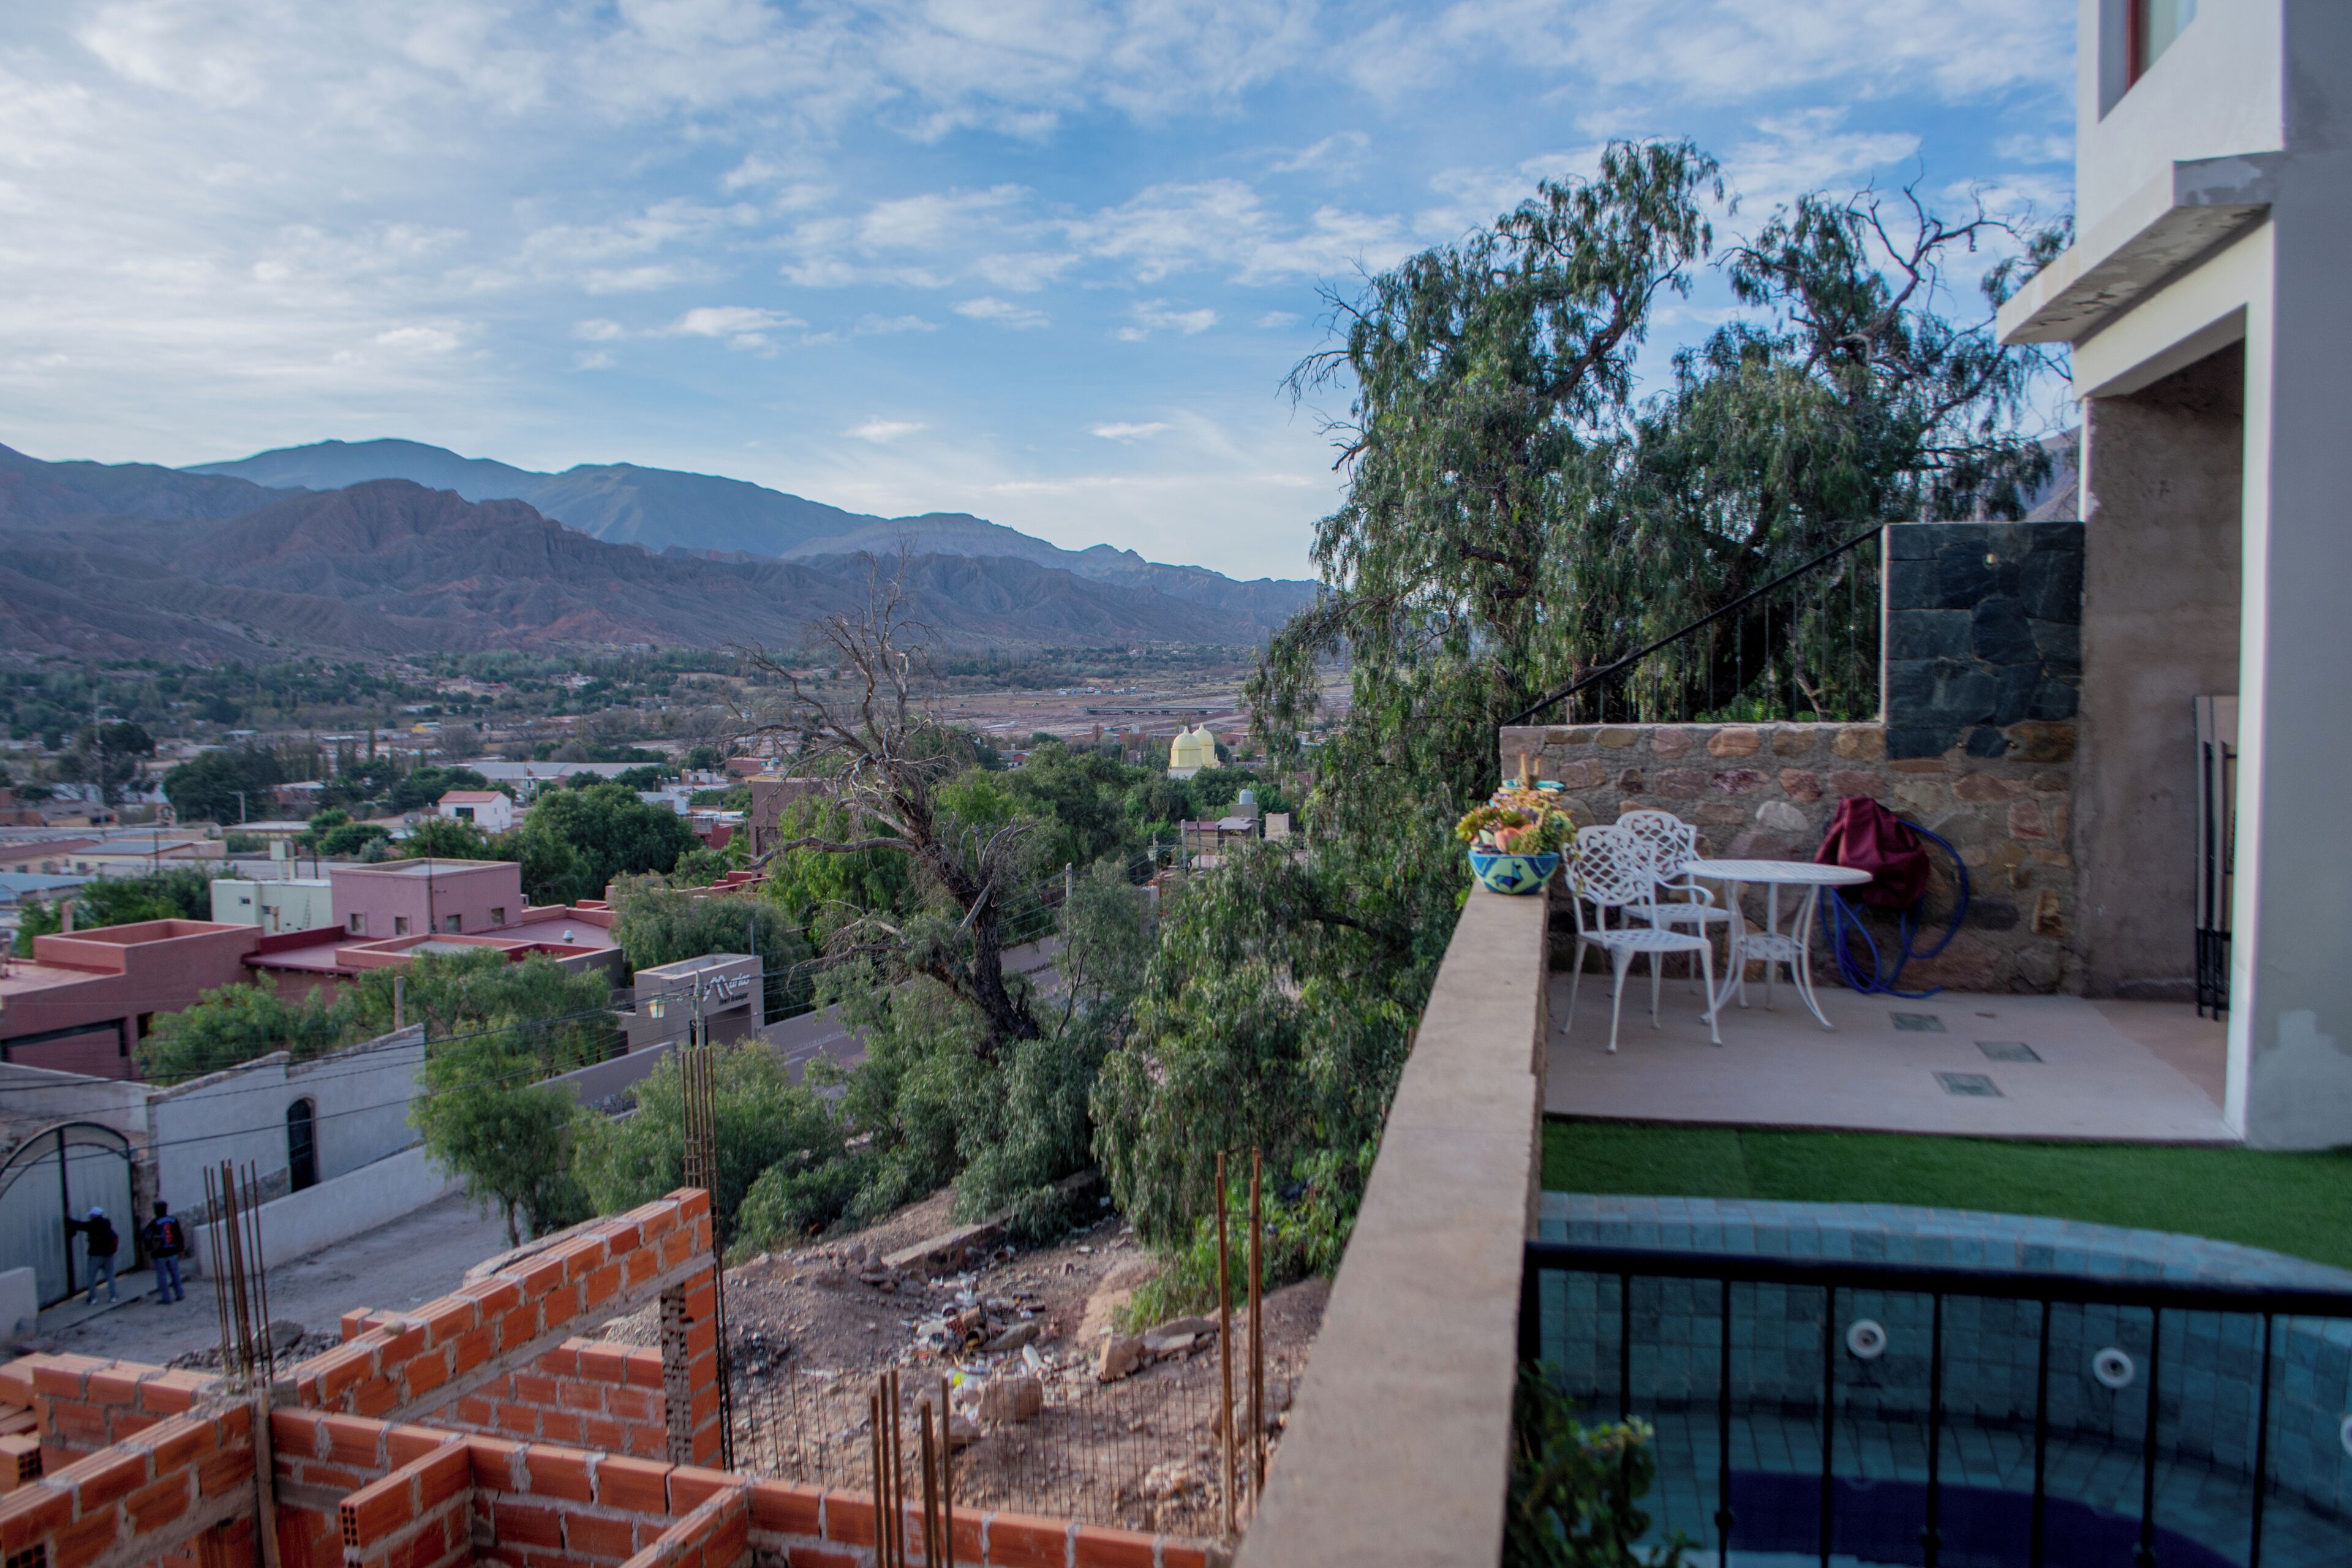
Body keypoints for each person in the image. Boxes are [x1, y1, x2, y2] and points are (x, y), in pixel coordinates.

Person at [64, 1205, 118, 1306]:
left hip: (95, 1256)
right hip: (109, 1255)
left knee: (92, 1277)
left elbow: (79, 1225)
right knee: (110, 1276)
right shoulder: (107, 1223)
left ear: (94, 1216)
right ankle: (113, 1297)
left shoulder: (92, 1226)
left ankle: (93, 1298)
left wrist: (67, 1219)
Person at [143, 1200, 186, 1305]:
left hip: (160, 1254)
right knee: (175, 1274)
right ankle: (180, 1294)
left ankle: (166, 1298)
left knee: (162, 1277)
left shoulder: (154, 1224)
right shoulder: (173, 1221)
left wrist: (149, 1249)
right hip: (173, 1252)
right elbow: (179, 1236)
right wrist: (181, 1249)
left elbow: (147, 1237)